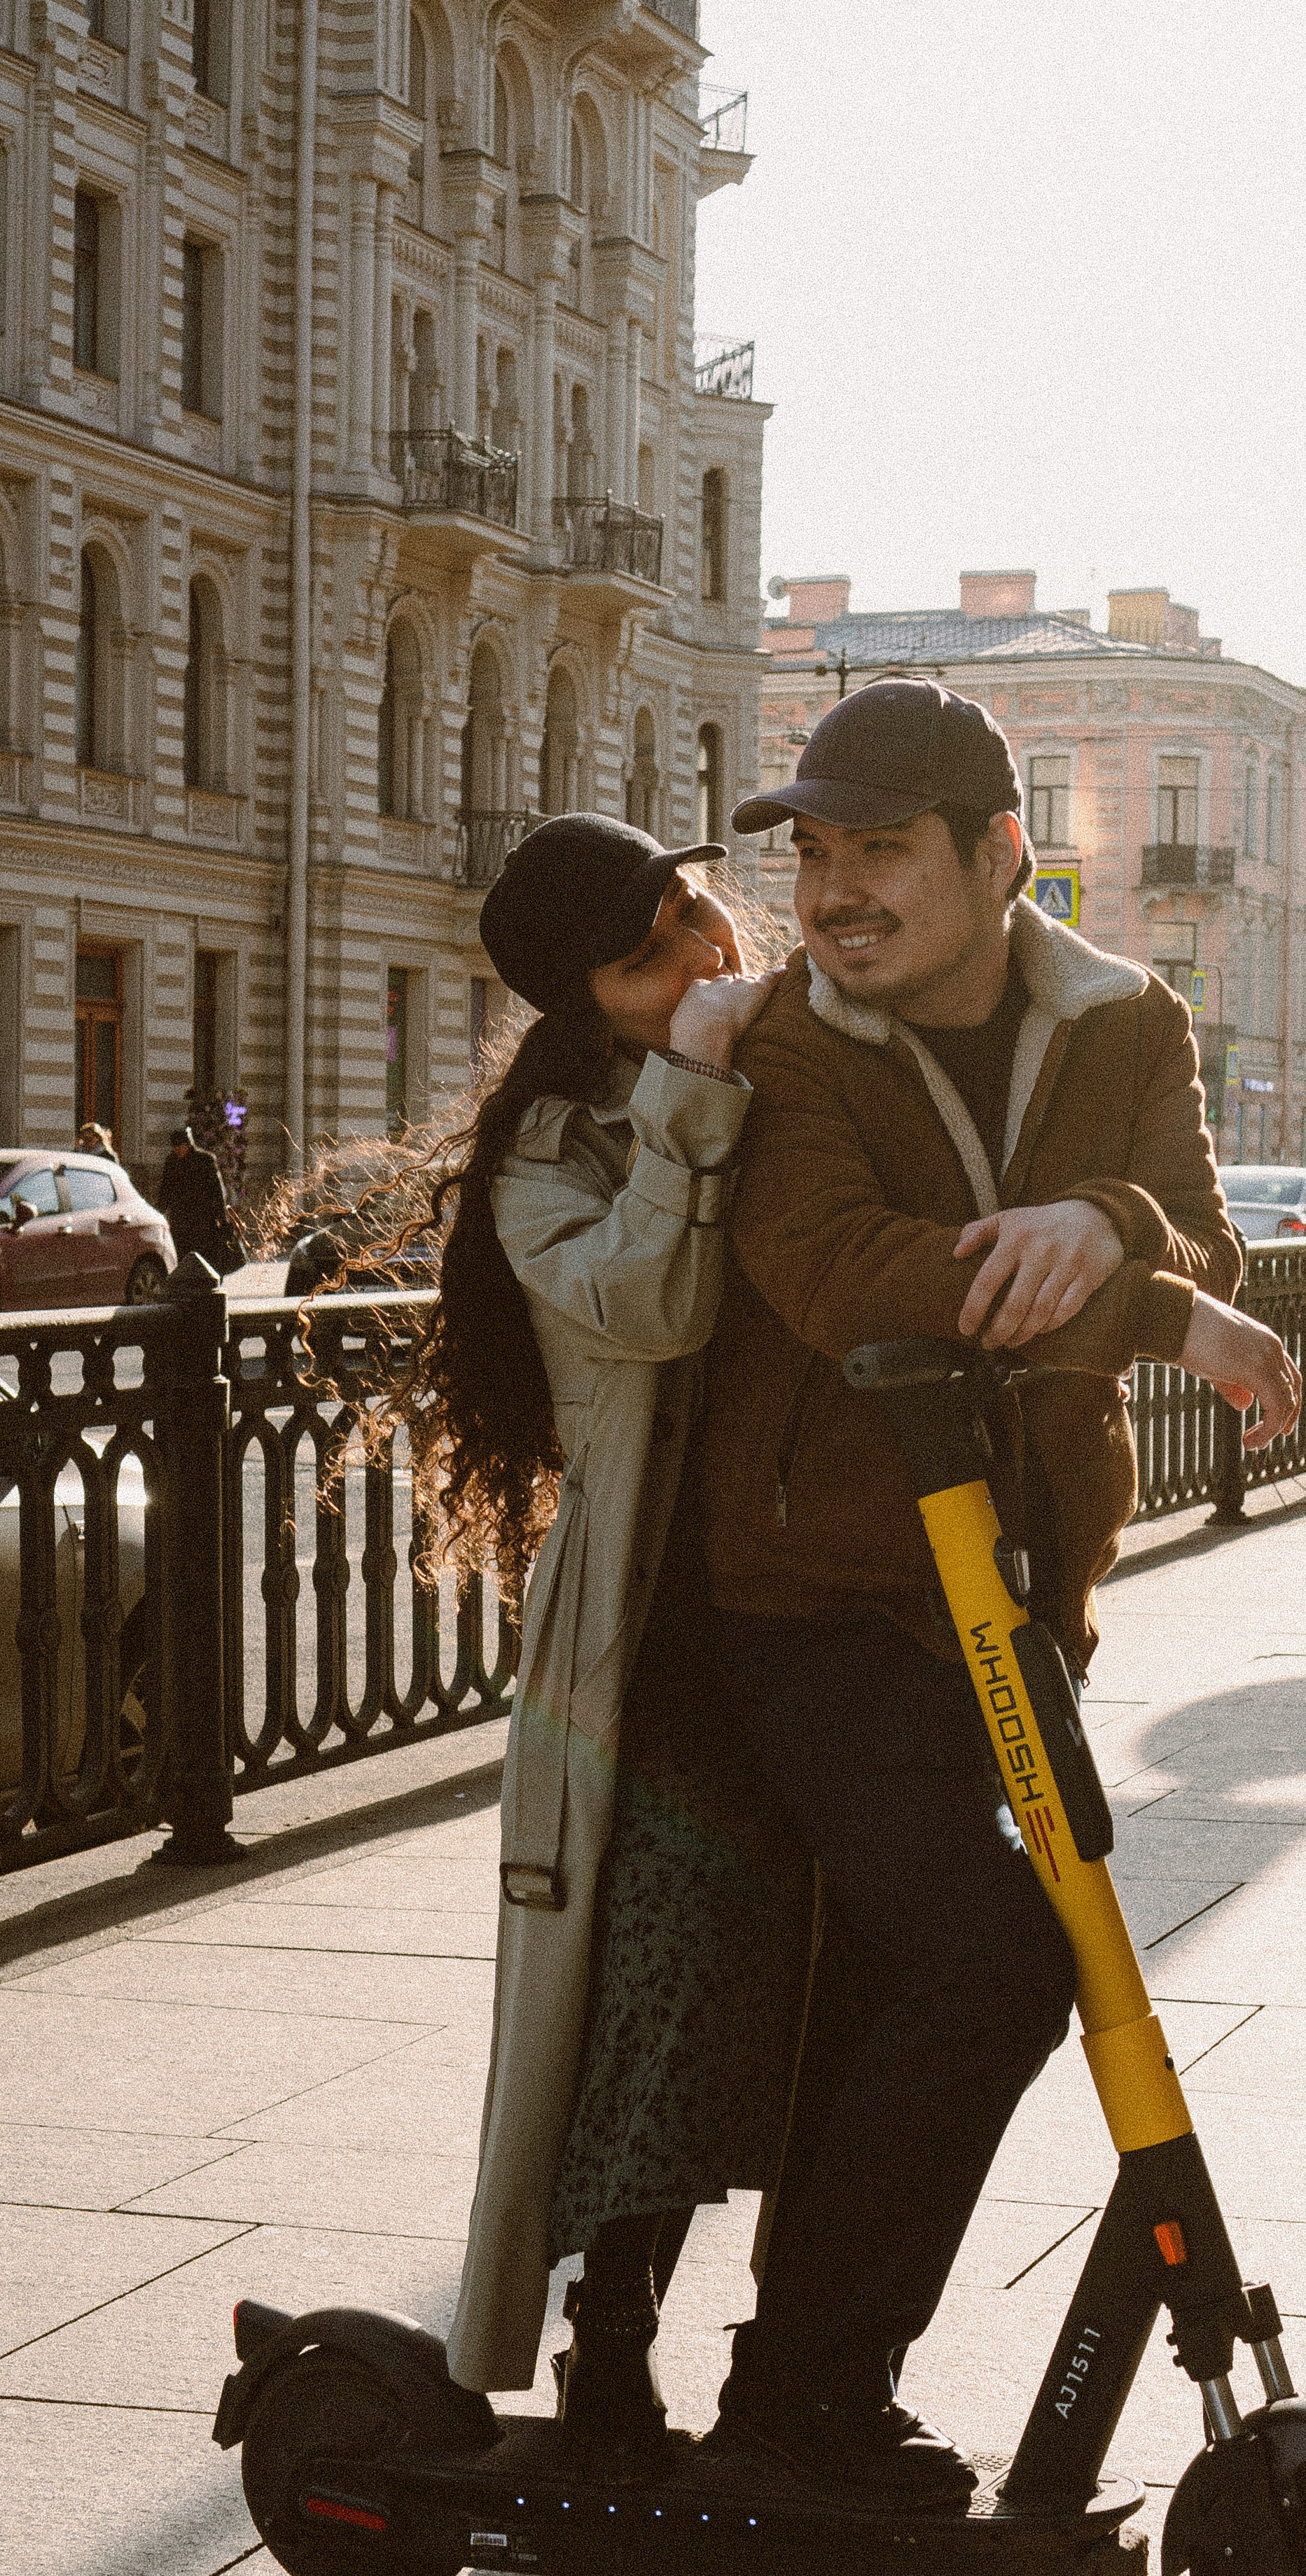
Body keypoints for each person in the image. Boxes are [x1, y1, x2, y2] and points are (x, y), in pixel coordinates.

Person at [691, 678, 1302, 2506]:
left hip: (1021, 1587)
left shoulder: (1126, 1020)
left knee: (902, 1973)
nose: (833, 893)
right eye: (813, 854)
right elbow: (840, 1272)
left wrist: (1112, 1225)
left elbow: (1204, 1227)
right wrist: (1159, 1309)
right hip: (818, 1586)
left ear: (1000, 853)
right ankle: (802, 2391)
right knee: (993, 1958)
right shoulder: (791, 1043)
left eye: (881, 851)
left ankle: (804, 2398)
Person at [416, 816, 810, 2472]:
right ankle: (614, 2346)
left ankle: (808, 2371)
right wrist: (693, 1089)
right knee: (659, 1987)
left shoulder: (797, 1052)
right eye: (650, 957)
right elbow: (654, 1308)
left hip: (830, 1593)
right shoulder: (551, 1156)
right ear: (582, 1004)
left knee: (823, 1985)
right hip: (666, 1640)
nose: (706, 958)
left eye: (696, 913)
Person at [157, 1125, 234, 1267]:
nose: (178, 1150)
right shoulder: (171, 1162)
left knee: (204, 1257)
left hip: (202, 1220)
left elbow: (216, 1191)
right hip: (180, 1219)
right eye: (175, 1147)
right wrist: (158, 1213)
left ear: (188, 1145)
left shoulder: (205, 1160)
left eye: (181, 1146)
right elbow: (165, 1190)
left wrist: (222, 1218)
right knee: (182, 1257)